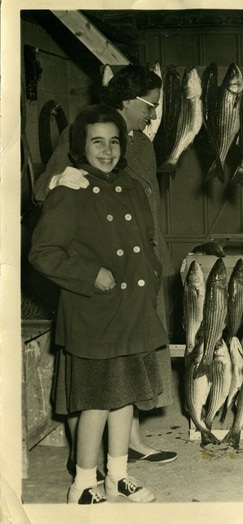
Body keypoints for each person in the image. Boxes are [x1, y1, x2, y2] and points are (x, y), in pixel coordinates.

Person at [33, 65, 177, 473]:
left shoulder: (142, 145)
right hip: (102, 270)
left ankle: (130, 442)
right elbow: (45, 190)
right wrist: (63, 177)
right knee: (95, 373)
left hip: (141, 264)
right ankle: (86, 460)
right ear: (128, 100)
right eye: (150, 105)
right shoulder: (86, 134)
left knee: (135, 359)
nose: (152, 115)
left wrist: (152, 260)